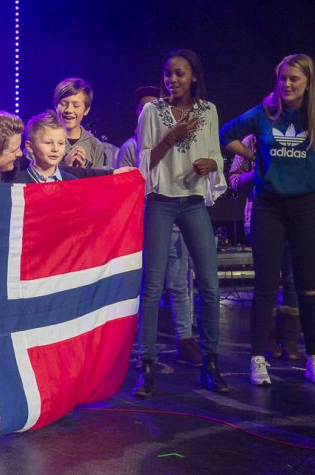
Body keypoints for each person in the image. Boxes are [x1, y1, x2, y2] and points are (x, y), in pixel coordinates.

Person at [220, 53, 315, 385]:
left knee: (308, 287)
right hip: (268, 209)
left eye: (294, 79)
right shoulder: (264, 114)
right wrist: (251, 155)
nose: (286, 84)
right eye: (283, 78)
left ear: (308, 82)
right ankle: (257, 359)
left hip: (305, 210)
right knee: (265, 286)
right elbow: (227, 134)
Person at [133, 48, 228, 397]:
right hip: (160, 202)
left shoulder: (208, 111)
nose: (173, 80)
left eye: (180, 74)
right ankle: (147, 365)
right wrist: (170, 138)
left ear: (193, 77)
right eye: (168, 74)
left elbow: (216, 153)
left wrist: (211, 164)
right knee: (152, 286)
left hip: (191, 203)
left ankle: (211, 363)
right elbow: (144, 163)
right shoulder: (152, 111)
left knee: (209, 285)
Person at [117, 85, 202, 366]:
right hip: (144, 226)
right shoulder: (130, 147)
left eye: (154, 106)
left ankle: (185, 338)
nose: (148, 111)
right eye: (143, 107)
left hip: (176, 225)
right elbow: (125, 188)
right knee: (147, 288)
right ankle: (142, 346)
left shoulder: (179, 142)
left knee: (179, 284)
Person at [228, 134, 300, 360]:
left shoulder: (298, 135)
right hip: (261, 218)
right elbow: (235, 180)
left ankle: (290, 340)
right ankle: (267, 339)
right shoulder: (251, 141)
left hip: (295, 218)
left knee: (292, 280)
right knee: (267, 281)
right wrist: (257, 173)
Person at [53, 78, 106, 169]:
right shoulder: (40, 139)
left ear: (86, 110)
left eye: (76, 105)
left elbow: (99, 181)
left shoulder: (95, 146)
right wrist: (65, 167)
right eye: (63, 103)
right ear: (56, 106)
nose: (68, 110)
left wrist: (83, 171)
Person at [18, 110, 77, 183]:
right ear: (30, 146)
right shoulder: (18, 182)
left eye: (61, 143)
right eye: (48, 143)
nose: (55, 149)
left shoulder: (72, 182)